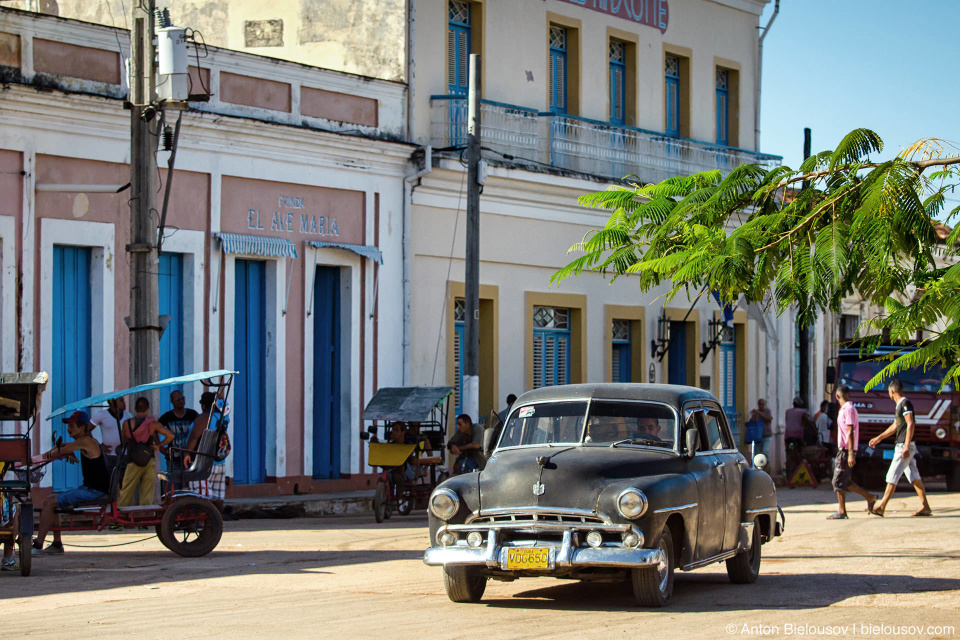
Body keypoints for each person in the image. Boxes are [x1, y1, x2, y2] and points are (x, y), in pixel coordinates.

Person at [32, 411, 110, 555]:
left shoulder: (85, 441)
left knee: (49, 502)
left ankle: (38, 545)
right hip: (91, 488)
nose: (69, 429)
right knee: (52, 500)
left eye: (72, 426)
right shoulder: (85, 442)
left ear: (82, 428)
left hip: (93, 491)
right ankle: (56, 544)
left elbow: (58, 452)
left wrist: (49, 454)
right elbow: (61, 448)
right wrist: (60, 449)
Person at [869, 379, 932, 517]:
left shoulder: (905, 403)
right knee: (914, 476)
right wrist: (879, 438)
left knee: (892, 475)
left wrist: (906, 446)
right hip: (904, 444)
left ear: (892, 391)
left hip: (904, 445)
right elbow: (895, 425)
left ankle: (882, 506)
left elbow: (910, 424)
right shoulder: (899, 405)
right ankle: (925, 506)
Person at [828, 385, 876, 519]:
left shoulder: (848, 409)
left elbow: (850, 431)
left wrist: (850, 453)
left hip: (846, 450)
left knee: (837, 481)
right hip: (844, 449)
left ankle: (842, 510)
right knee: (845, 481)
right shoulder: (846, 409)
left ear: (837, 396)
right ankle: (870, 497)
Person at [118, 397, 174, 507]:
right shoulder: (152, 424)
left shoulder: (126, 424)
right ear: (147, 409)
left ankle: (120, 519)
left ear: (135, 409)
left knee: (126, 492)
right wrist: (159, 445)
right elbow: (170, 436)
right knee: (147, 494)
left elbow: (123, 439)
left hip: (132, 461)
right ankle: (144, 520)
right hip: (149, 460)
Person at [183, 391, 227, 513]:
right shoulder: (221, 417)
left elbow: (194, 437)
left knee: (202, 496)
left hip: (203, 462)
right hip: (219, 461)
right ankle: (215, 521)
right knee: (218, 496)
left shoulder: (204, 418)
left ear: (203, 405)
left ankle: (203, 522)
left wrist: (187, 454)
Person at [158, 390, 199, 480]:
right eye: (178, 399)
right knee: (173, 485)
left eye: (182, 398)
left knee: (189, 486)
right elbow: (154, 429)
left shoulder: (192, 414)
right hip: (173, 459)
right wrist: (160, 447)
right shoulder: (167, 417)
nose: (181, 401)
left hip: (189, 458)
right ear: (172, 401)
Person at [89, 397, 131, 470]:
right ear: (112, 403)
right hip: (108, 456)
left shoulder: (128, 416)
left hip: (124, 456)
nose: (124, 403)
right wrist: (97, 446)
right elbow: (87, 430)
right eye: (121, 401)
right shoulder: (102, 415)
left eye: (123, 400)